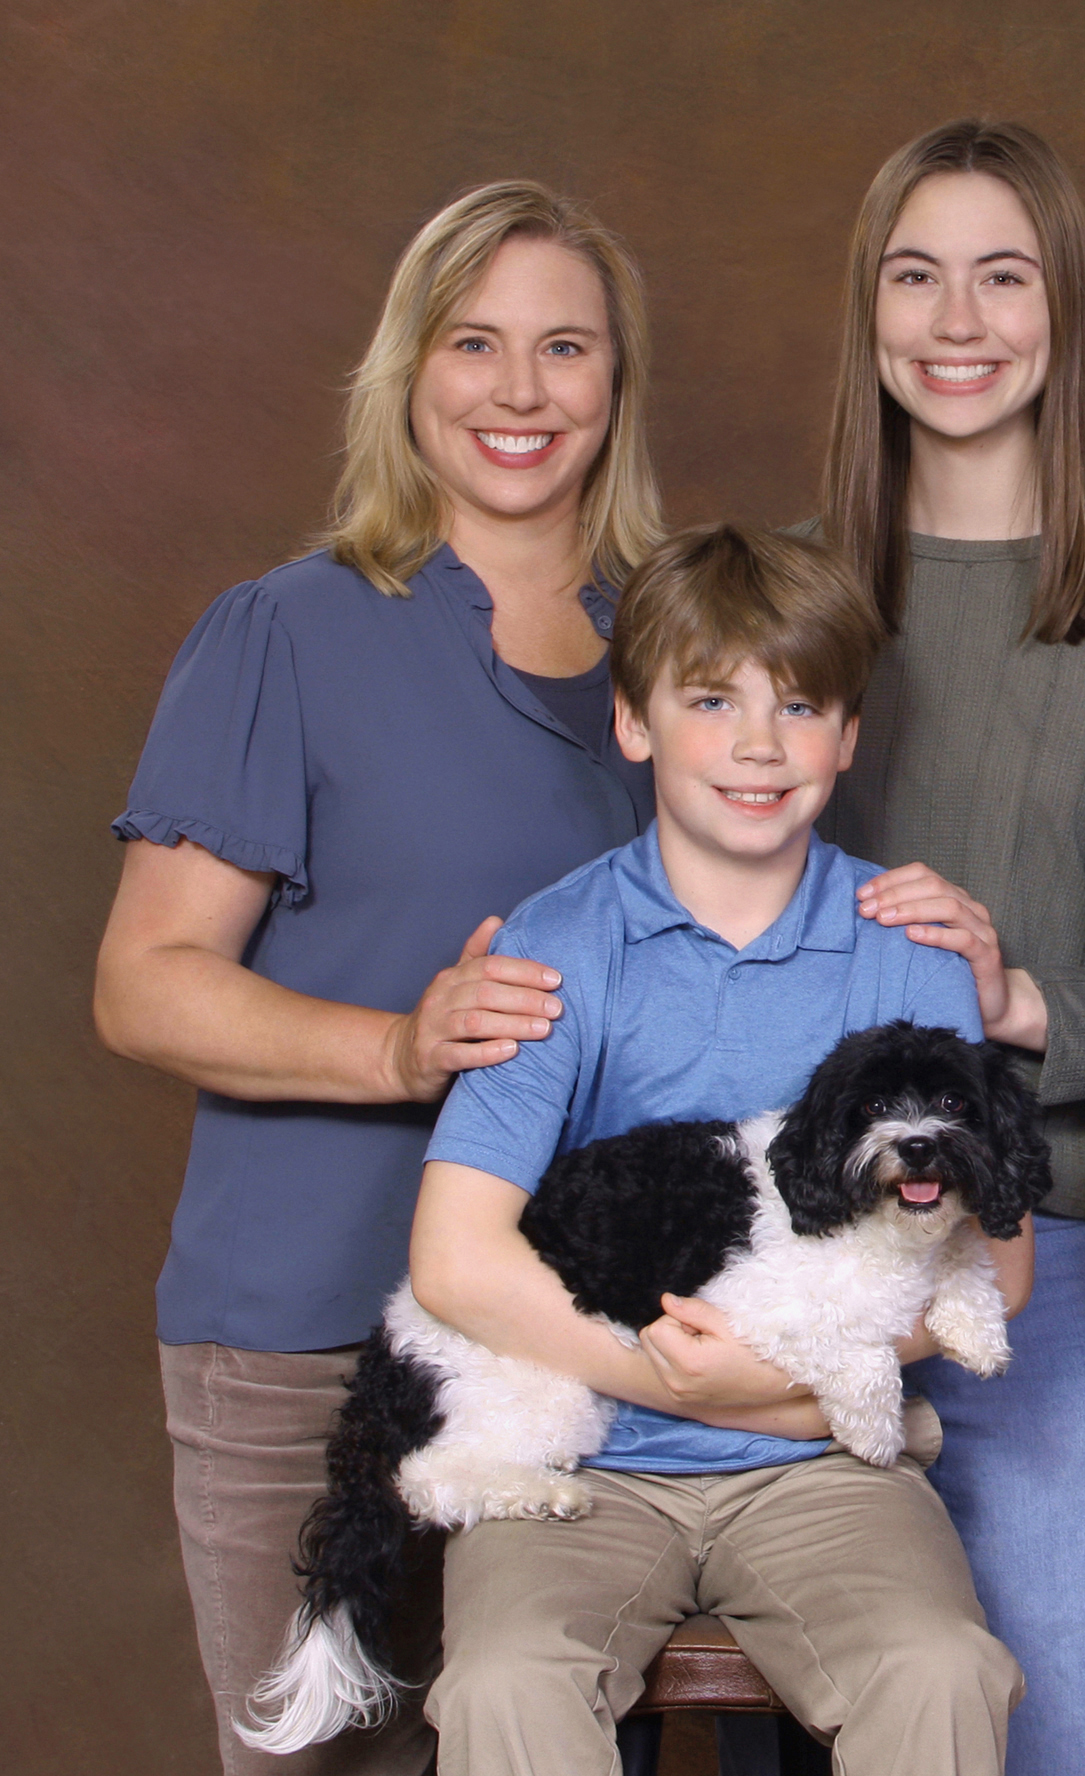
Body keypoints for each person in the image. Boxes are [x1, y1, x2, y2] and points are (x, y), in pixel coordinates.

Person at [93, 180, 664, 1776]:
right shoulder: (288, 632)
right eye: (473, 343)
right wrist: (400, 1047)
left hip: (575, 1355)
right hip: (304, 1339)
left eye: (566, 347)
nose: (521, 391)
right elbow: (145, 981)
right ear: (407, 370)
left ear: (617, 384)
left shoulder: (683, 652)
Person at [411, 522, 1026, 1774]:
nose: (758, 745)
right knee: (505, 1681)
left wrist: (787, 1401)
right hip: (590, 1449)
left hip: (826, 1470)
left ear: (849, 738)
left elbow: (998, 1275)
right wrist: (695, 1379)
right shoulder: (561, 941)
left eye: (800, 707)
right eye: (712, 701)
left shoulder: (905, 949)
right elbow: (455, 1259)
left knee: (942, 1669)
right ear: (635, 723)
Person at [798, 117, 1085, 1776]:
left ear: (1063, 309)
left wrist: (1018, 1003)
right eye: (914, 277)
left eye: (1003, 276)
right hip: (810, 1266)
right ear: (868, 313)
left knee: (1063, 1739)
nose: (958, 319)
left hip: (1062, 1251)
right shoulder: (787, 603)